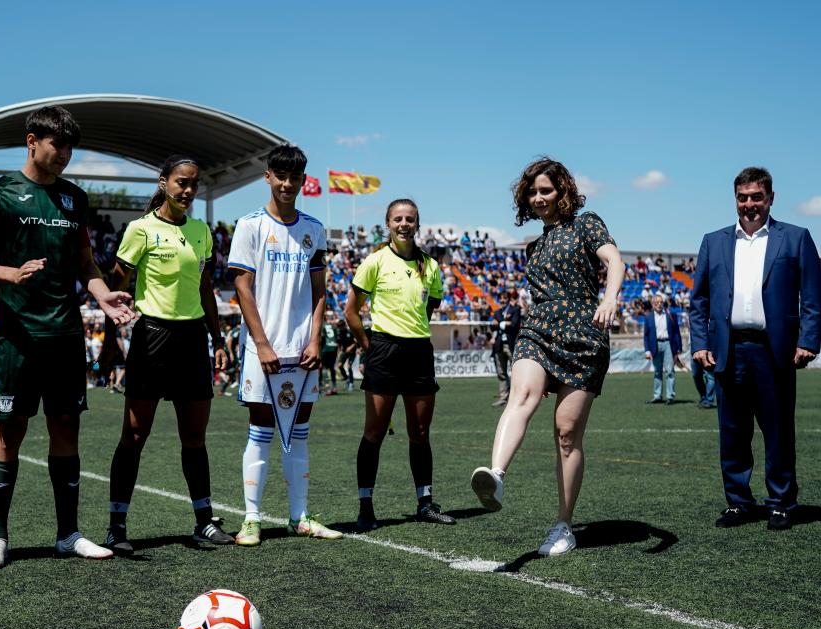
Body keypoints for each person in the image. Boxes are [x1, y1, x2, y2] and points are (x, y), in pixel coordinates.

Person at [0, 105, 134, 569]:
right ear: (32, 141)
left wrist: (102, 296)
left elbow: (84, 264)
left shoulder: (75, 198)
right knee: (9, 434)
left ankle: (69, 534)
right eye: (57, 144)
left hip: (63, 334)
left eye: (70, 146)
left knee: (66, 430)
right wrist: (10, 274)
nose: (64, 154)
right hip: (18, 336)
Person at [470, 158, 624, 556]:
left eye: (546, 191)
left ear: (563, 193)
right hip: (538, 330)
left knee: (567, 435)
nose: (539, 198)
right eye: (533, 192)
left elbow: (614, 260)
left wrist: (609, 298)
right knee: (523, 395)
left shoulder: (587, 224)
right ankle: (497, 475)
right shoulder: (533, 246)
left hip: (582, 336)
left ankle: (563, 525)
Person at [98, 154, 233, 555]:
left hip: (193, 340)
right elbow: (114, 290)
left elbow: (206, 288)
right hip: (151, 336)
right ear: (163, 183)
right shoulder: (140, 230)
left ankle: (204, 522)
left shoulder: (200, 231)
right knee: (134, 436)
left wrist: (219, 338)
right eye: (181, 183)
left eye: (193, 184)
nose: (188, 190)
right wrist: (110, 342)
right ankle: (116, 526)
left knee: (194, 437)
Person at [689, 167, 821, 531]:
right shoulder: (713, 241)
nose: (749, 204)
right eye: (743, 197)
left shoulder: (795, 238)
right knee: (732, 431)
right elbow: (698, 299)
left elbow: (811, 296)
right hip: (727, 349)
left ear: (771, 198)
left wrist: (808, 340)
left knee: (777, 430)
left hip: (773, 350)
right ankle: (738, 502)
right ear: (735, 199)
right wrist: (699, 342)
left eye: (756, 197)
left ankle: (781, 502)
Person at [226, 144, 342, 547]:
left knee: (300, 433)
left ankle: (300, 517)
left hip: (302, 350)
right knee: (260, 430)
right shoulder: (250, 225)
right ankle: (252, 519)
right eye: (282, 176)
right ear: (268, 177)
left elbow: (318, 290)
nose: (288, 184)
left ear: (303, 180)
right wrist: (261, 344)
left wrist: (314, 339)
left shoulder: (313, 228)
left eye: (296, 178)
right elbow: (242, 288)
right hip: (264, 350)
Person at [345, 198, 455, 531]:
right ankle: (366, 506)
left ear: (417, 224)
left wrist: (413, 333)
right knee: (374, 432)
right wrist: (369, 346)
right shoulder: (375, 261)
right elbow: (351, 311)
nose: (404, 223)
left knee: (420, 432)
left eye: (410, 219)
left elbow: (430, 306)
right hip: (384, 350)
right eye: (398, 219)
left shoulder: (431, 266)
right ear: (388, 224)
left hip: (419, 352)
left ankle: (425, 503)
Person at [642, 294, 683, 404]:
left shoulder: (671, 315)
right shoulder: (648, 317)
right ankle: (657, 396)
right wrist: (647, 350)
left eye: (661, 302)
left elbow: (676, 333)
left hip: (668, 344)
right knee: (657, 371)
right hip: (655, 345)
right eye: (656, 303)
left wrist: (679, 348)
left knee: (670, 371)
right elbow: (646, 336)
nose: (659, 304)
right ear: (652, 304)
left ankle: (670, 396)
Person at [491, 292, 522, 407]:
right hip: (499, 345)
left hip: (511, 344)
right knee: (501, 372)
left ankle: (518, 396)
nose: (502, 300)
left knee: (516, 371)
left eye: (504, 298)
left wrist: (499, 323)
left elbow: (514, 325)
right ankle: (504, 397)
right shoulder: (498, 312)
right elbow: (492, 326)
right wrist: (504, 323)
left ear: (509, 299)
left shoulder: (515, 310)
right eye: (501, 298)